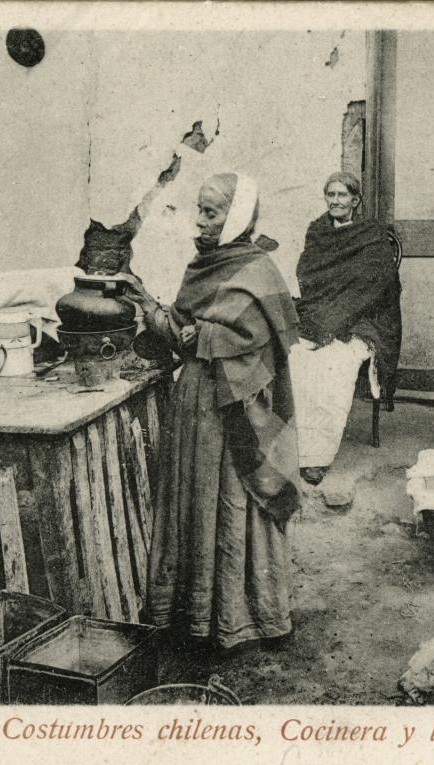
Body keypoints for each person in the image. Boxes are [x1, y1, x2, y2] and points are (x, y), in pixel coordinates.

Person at [119, 172, 303, 649]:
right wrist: (144, 302)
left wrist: (203, 336)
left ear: (236, 217)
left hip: (235, 409)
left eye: (211, 212)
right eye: (198, 210)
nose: (198, 222)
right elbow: (181, 328)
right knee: (196, 504)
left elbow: (264, 341)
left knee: (235, 505)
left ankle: (248, 618)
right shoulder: (204, 265)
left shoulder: (258, 269)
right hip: (197, 400)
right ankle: (196, 617)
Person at [289, 171, 401, 485]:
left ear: (355, 200)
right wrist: (324, 315)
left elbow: (376, 287)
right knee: (296, 358)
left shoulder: (372, 234)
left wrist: (338, 321)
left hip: (362, 319)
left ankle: (317, 457)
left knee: (334, 365)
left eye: (342, 195)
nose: (336, 201)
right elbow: (308, 276)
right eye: (331, 195)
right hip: (319, 314)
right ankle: (294, 447)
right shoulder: (317, 231)